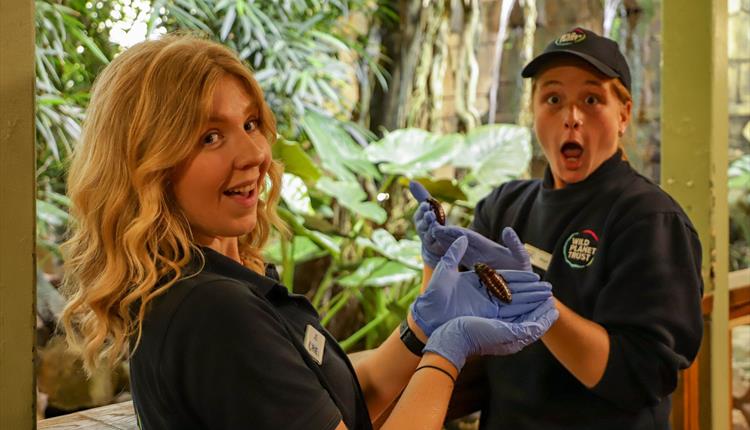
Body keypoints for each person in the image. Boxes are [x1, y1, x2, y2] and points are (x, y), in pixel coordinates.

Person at [59, 33, 559, 430]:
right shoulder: (213, 312)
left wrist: (421, 332)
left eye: (251, 124)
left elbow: (313, 403)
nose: (254, 154)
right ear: (149, 164)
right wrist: (446, 355)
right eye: (210, 136)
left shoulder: (206, 284)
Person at [410, 27, 704, 429]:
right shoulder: (504, 206)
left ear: (624, 114)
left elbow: (642, 374)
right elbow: (444, 324)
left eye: (592, 99)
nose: (571, 118)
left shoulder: (649, 219)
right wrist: (436, 259)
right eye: (553, 99)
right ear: (533, 110)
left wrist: (544, 310)